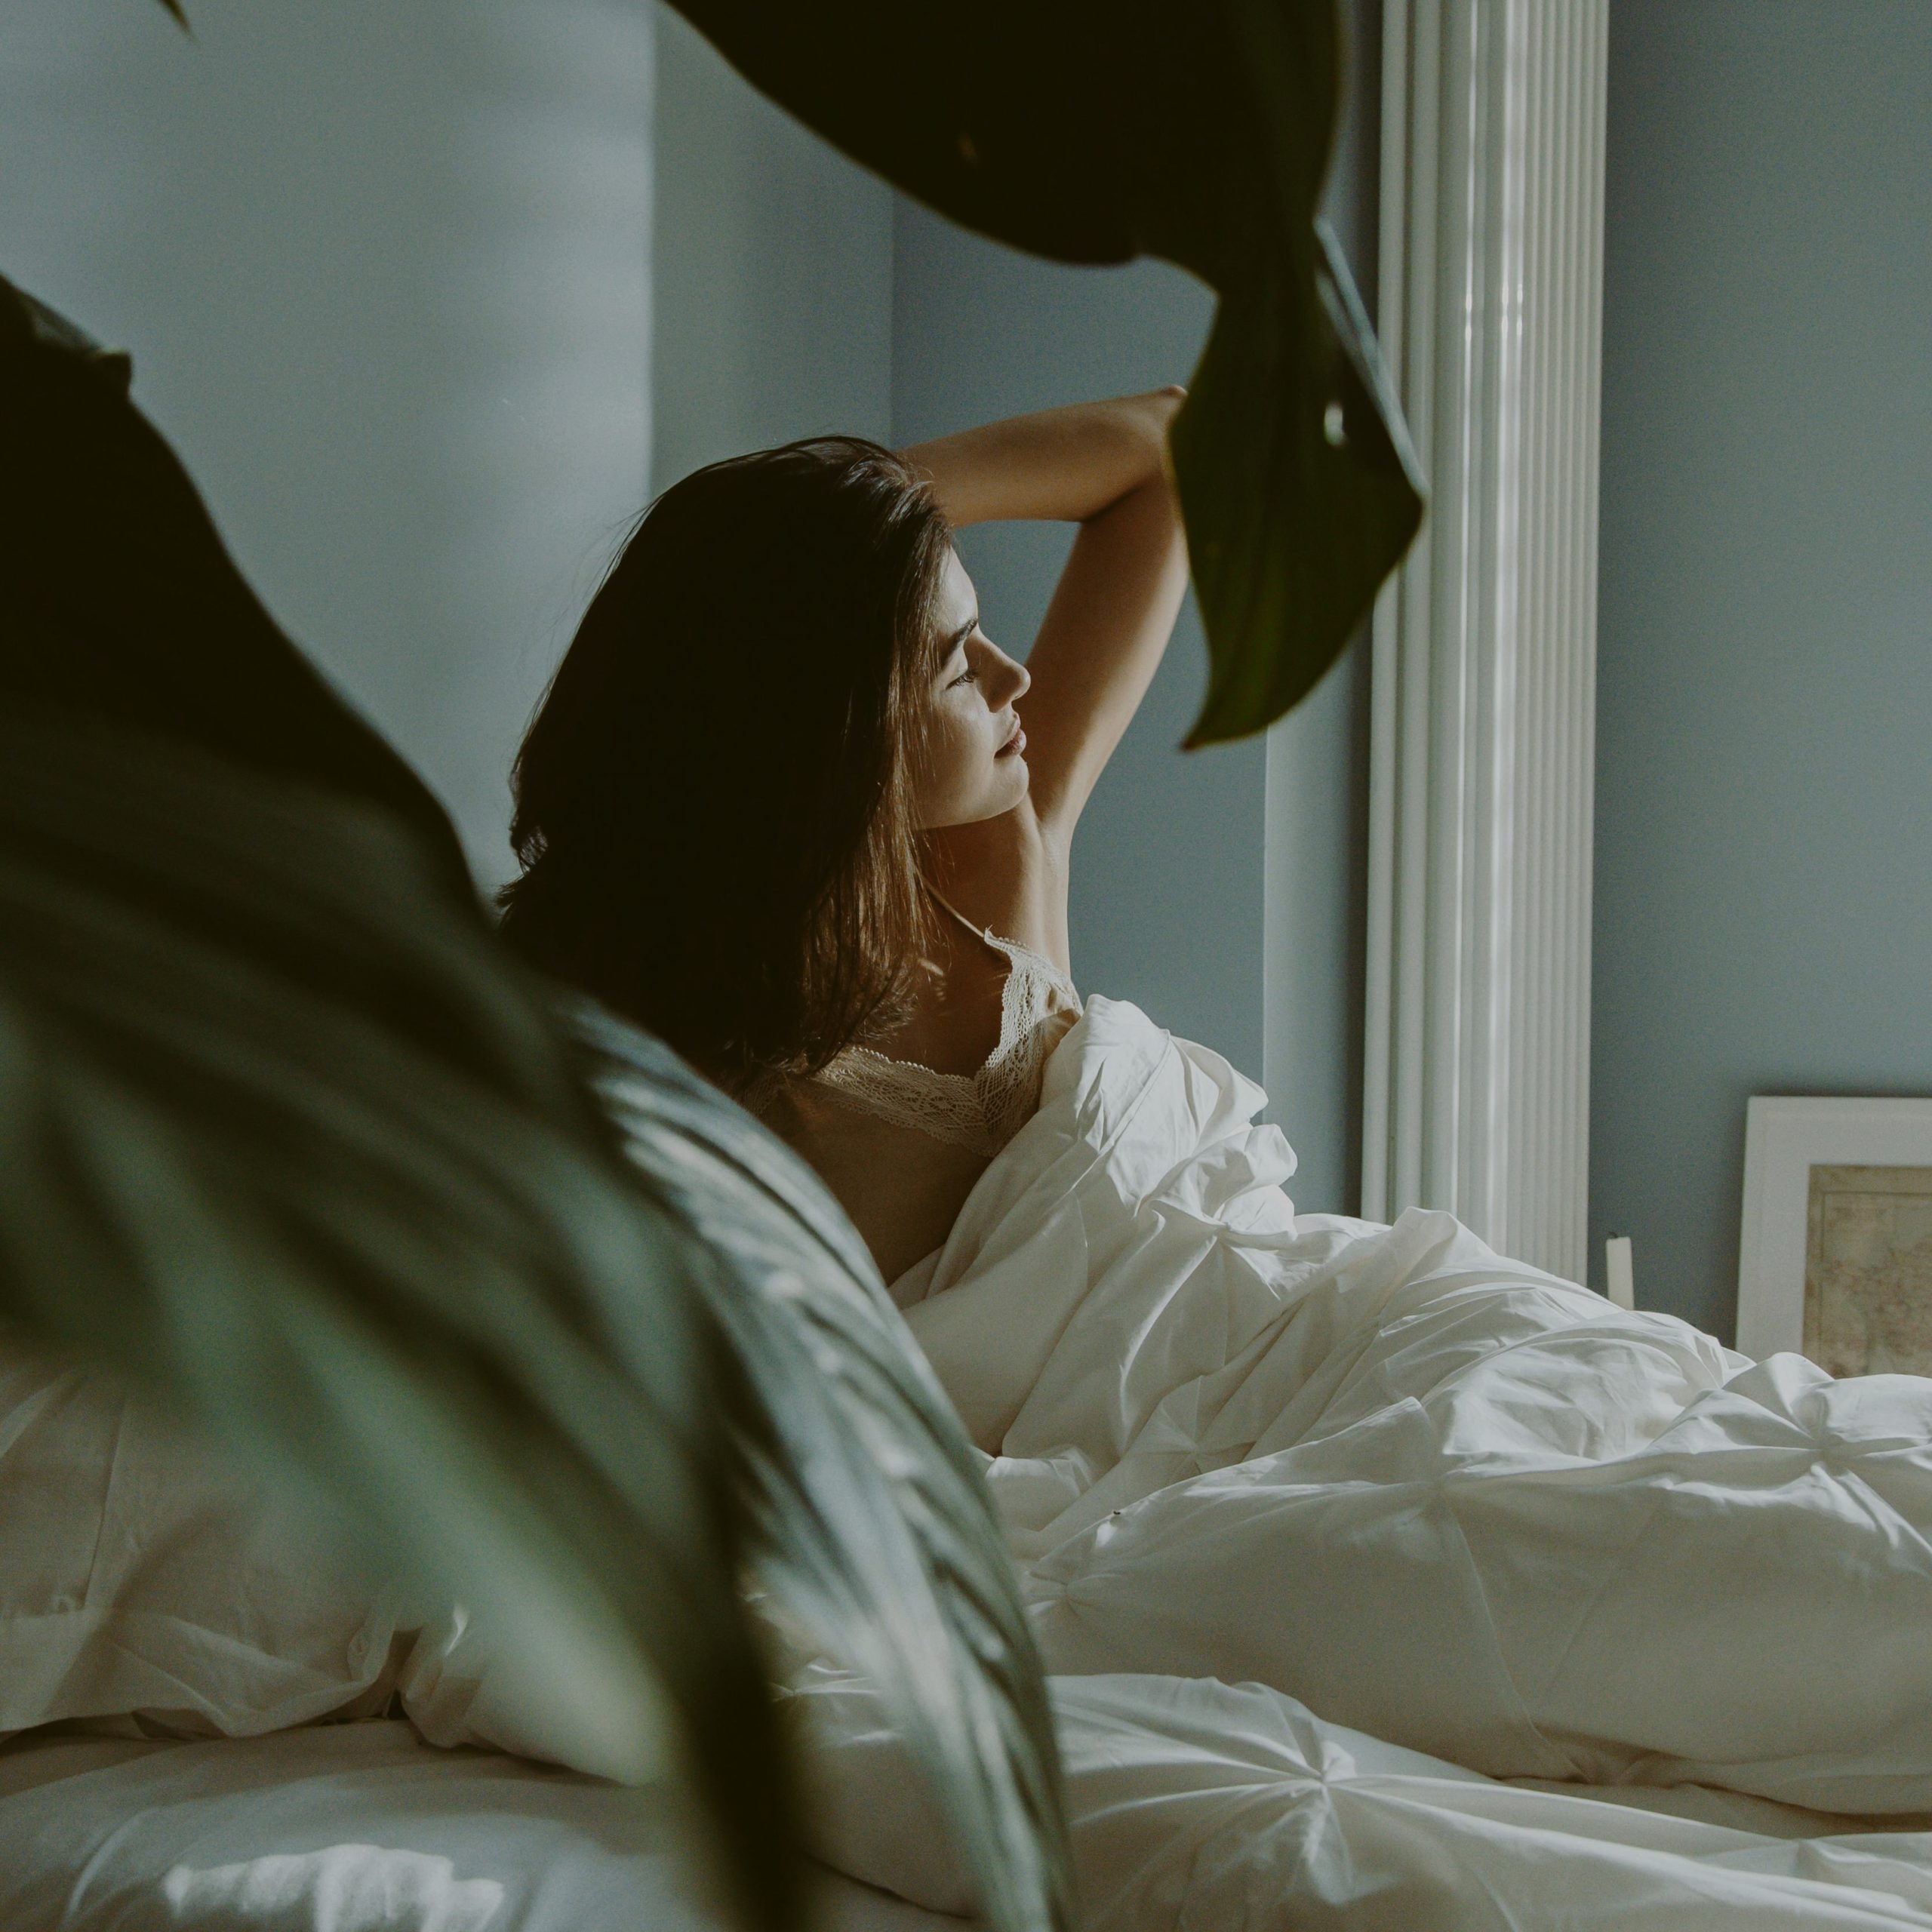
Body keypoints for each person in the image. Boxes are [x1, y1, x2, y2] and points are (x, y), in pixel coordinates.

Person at [500, 392, 1189, 1285]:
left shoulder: (1002, 843)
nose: (1012, 676)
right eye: (956, 666)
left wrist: (847, 520)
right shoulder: (645, 1075)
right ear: (831, 736)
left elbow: (1169, 448)